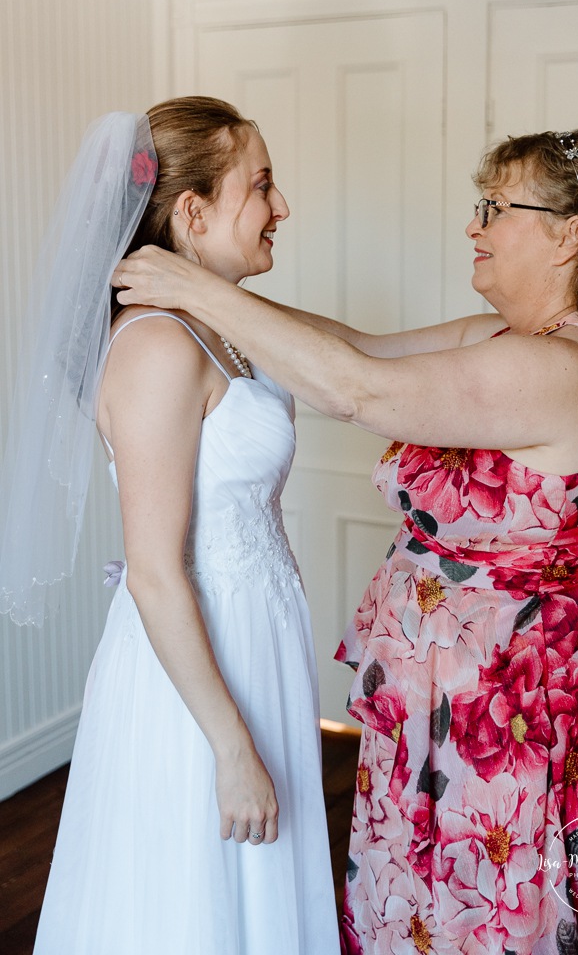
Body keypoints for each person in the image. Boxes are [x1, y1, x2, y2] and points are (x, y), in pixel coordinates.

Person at [112, 129, 578, 954]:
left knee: (498, 917)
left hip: (515, 719)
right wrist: (202, 295)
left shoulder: (561, 369)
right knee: (425, 910)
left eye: (494, 210)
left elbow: (357, 389)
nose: (472, 228)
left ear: (566, 233)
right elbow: (354, 345)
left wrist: (195, 284)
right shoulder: (498, 339)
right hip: (440, 700)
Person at [0, 98, 340, 954]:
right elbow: (153, 570)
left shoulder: (225, 329)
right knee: (186, 903)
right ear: (190, 213)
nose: (282, 207)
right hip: (193, 675)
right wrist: (229, 746)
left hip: (253, 642)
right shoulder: (158, 347)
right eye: (261, 186)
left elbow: (362, 358)